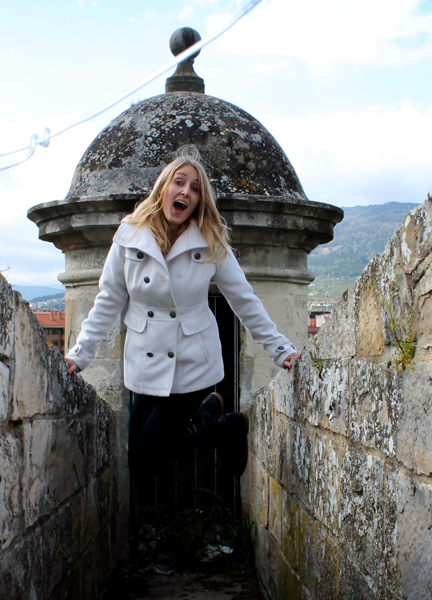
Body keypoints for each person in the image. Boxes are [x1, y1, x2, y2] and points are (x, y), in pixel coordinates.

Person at [63, 145, 300, 480]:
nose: (186, 192)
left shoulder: (210, 242)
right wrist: (79, 354)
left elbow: (244, 300)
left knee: (149, 456)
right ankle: (210, 416)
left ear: (199, 202)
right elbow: (109, 299)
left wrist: (281, 349)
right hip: (146, 361)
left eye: (195, 188)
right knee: (139, 463)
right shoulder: (129, 237)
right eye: (179, 182)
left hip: (192, 362)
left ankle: (227, 425)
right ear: (164, 188)